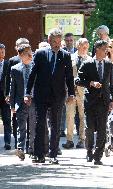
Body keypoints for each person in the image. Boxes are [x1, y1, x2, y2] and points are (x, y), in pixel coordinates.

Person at [24, 28, 75, 164]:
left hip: (58, 96)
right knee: (40, 124)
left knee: (56, 125)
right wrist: (27, 93)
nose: (57, 44)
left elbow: (69, 77)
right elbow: (32, 74)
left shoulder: (65, 55)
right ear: (49, 41)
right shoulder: (40, 54)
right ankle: (39, 154)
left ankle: (53, 154)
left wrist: (71, 93)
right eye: (54, 41)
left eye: (59, 41)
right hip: (41, 95)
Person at [75, 40, 113, 165]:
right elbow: (78, 80)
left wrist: (112, 99)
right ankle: (89, 151)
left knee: (102, 128)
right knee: (90, 127)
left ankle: (98, 155)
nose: (106, 51)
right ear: (97, 49)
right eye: (104, 49)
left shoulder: (109, 64)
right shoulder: (87, 63)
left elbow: (112, 84)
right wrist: (91, 83)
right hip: (90, 101)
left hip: (104, 100)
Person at [62, 38, 92, 149]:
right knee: (69, 116)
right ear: (78, 45)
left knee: (83, 116)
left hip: (84, 92)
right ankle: (69, 140)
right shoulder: (70, 58)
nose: (85, 49)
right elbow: (66, 75)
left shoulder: (90, 59)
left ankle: (82, 139)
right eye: (83, 46)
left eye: (87, 47)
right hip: (71, 91)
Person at [10, 44, 36, 160]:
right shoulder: (15, 69)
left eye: (30, 51)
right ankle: (20, 149)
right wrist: (12, 105)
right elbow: (13, 88)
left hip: (34, 100)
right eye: (26, 52)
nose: (30, 54)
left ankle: (31, 149)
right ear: (20, 55)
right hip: (20, 102)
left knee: (33, 126)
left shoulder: (35, 67)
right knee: (21, 127)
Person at [5, 38, 30, 150]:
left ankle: (29, 145)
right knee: (19, 123)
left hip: (31, 99)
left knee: (31, 124)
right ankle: (19, 144)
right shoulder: (13, 61)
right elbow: (10, 82)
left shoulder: (33, 62)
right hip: (19, 98)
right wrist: (9, 96)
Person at [60, 32, 77, 138]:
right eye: (67, 40)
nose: (69, 42)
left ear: (73, 41)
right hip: (62, 82)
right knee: (62, 107)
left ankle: (76, 129)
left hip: (75, 83)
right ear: (64, 41)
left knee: (75, 106)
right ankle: (61, 129)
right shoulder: (61, 52)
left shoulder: (77, 52)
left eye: (71, 40)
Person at [0, 43, 11, 150]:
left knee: (7, 119)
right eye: (0, 51)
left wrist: (9, 94)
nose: (2, 53)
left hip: (5, 95)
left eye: (3, 51)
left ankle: (7, 142)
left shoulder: (8, 64)